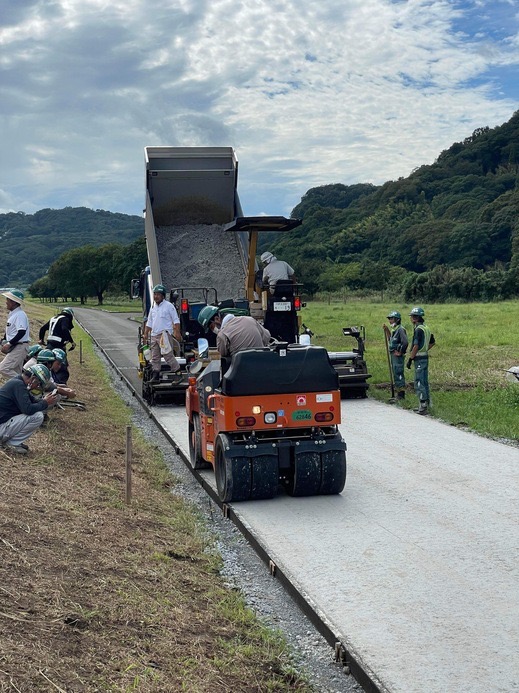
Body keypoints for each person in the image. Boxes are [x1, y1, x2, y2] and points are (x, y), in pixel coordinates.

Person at [0, 364, 57, 454]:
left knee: (36, 413)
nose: (37, 386)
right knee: (37, 416)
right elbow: (28, 409)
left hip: (3, 423)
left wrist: (44, 400)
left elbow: (33, 400)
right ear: (33, 378)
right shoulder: (18, 384)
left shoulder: (18, 381)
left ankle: (12, 441)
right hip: (1, 426)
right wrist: (45, 402)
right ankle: (12, 443)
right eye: (38, 383)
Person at [143, 284, 182, 382]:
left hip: (164, 335)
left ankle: (178, 373)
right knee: (155, 357)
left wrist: (177, 332)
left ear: (163, 296)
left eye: (158, 295)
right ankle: (156, 375)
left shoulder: (169, 306)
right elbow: (150, 322)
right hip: (154, 335)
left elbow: (176, 320)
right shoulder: (153, 307)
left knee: (168, 355)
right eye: (154, 294)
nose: (156, 296)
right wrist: (145, 333)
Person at [406, 306, 435, 415]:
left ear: (415, 318)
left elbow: (416, 345)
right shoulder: (426, 328)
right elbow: (432, 342)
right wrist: (425, 349)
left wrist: (410, 358)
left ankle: (423, 406)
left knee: (418, 381)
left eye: (412, 316)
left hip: (419, 358)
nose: (411, 319)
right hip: (425, 357)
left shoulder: (418, 329)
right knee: (424, 381)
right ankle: (427, 403)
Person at [0, 290, 31, 381]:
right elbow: (10, 331)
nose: (6, 302)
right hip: (17, 346)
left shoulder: (20, 315)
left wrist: (9, 343)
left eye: (8, 300)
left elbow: (21, 332)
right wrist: (4, 340)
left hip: (19, 347)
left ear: (14, 302)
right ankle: (21, 391)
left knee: (3, 368)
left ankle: (24, 382)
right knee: (16, 371)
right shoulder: (13, 314)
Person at [383, 310, 408, 402]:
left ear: (397, 319)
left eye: (391, 319)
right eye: (389, 319)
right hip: (393, 355)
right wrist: (387, 330)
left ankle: (401, 395)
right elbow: (391, 340)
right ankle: (397, 394)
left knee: (398, 373)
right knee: (395, 373)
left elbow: (405, 342)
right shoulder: (395, 329)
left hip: (397, 356)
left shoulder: (401, 329)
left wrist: (401, 352)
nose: (390, 321)